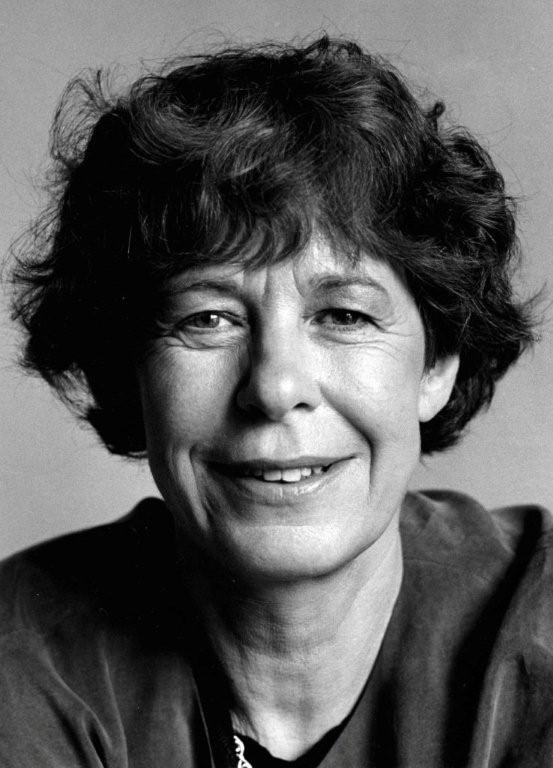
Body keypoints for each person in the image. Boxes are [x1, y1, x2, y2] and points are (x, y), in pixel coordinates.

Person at [1, 35, 550, 768]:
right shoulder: (21, 659)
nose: (274, 387)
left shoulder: (540, 627)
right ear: (127, 370)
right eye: (207, 318)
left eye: (344, 315)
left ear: (437, 363)